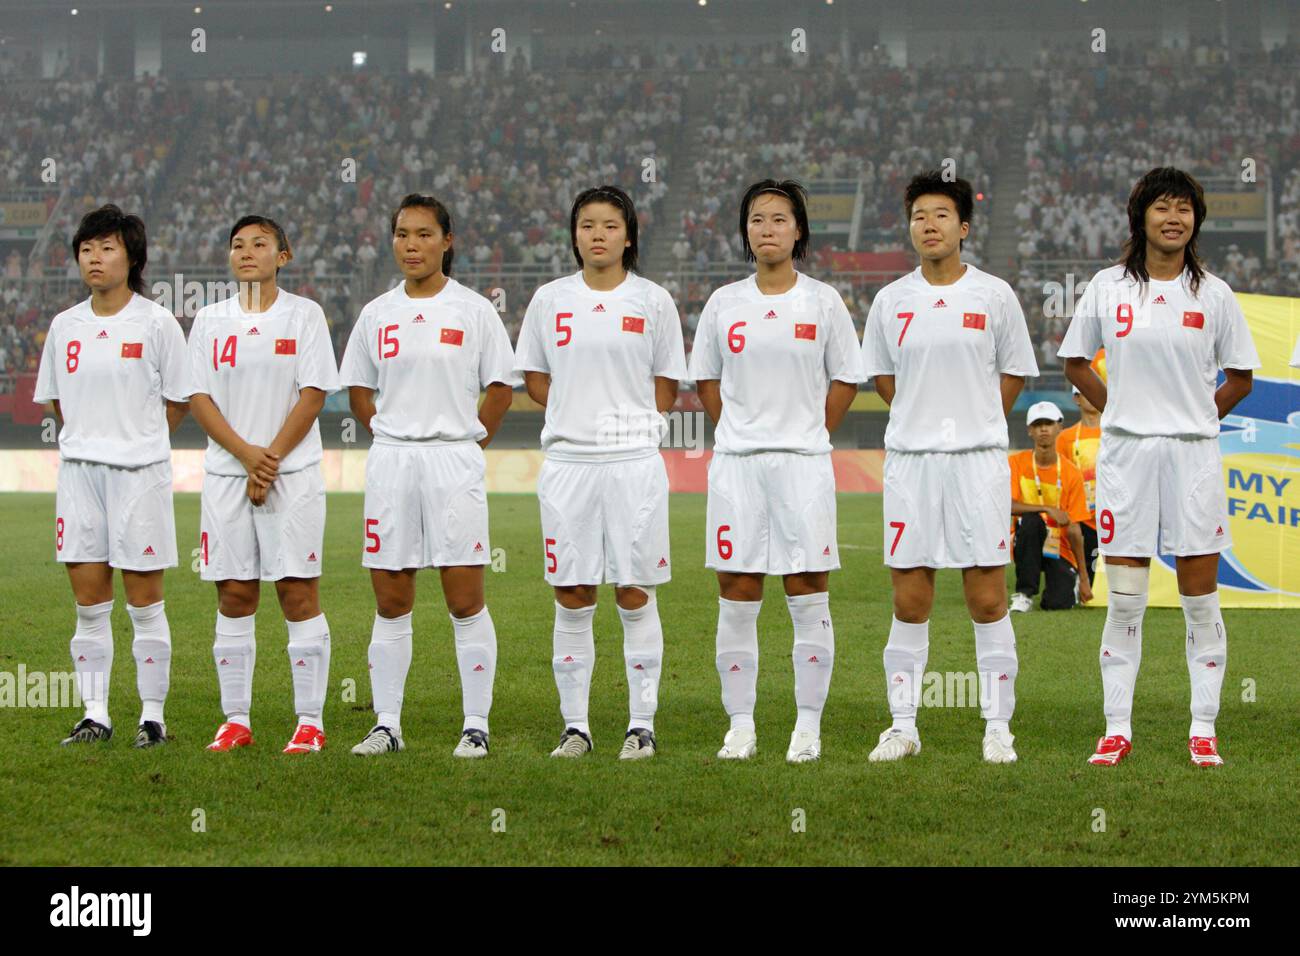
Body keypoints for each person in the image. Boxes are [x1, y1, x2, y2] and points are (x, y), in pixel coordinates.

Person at [1059, 167, 1259, 767]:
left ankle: (1203, 728)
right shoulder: (1107, 286)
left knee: (1201, 601)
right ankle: (1116, 728)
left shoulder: (1215, 293)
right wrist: (1118, 408)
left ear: (1195, 220)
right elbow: (1074, 362)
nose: (1174, 218)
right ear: (1140, 216)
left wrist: (1199, 416)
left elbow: (1241, 379)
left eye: (1185, 209)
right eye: (1162, 208)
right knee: (1125, 601)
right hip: (1127, 458)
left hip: (1193, 456)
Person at [861, 170, 1039, 765]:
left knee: (987, 597)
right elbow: (887, 381)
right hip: (911, 464)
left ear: (963, 227)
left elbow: (1013, 371)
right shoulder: (891, 300)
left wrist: (975, 420)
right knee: (910, 599)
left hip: (977, 464)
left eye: (941, 215)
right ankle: (903, 726)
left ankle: (997, 728)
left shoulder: (994, 295)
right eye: (919, 216)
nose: (928, 225)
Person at [689, 179, 865, 764]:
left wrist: (813, 432)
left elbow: (846, 377)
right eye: (757, 219)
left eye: (779, 219)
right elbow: (706, 379)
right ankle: (740, 725)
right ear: (746, 231)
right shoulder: (724, 303)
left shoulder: (823, 301)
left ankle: (807, 726)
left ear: (798, 231)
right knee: (738, 592)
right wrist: (735, 430)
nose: (767, 229)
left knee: (807, 590)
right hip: (738, 466)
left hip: (803, 467)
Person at [339, 194, 519, 758]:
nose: (410, 245)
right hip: (393, 462)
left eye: (422, 234)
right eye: (401, 234)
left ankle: (475, 724)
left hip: (452, 462)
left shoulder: (474, 310)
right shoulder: (376, 313)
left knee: (464, 598)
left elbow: (501, 386)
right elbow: (359, 390)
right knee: (391, 598)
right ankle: (387, 724)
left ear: (447, 240)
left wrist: (469, 437)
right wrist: (389, 432)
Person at [514, 185, 687, 760]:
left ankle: (642, 724)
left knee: (634, 591)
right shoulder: (549, 300)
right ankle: (575, 727)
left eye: (609, 225)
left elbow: (666, 386)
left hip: (633, 463)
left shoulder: (654, 301)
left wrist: (626, 423)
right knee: (573, 592)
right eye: (586, 225)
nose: (597, 235)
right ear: (574, 236)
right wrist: (575, 412)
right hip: (568, 463)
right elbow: (534, 376)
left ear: (629, 235)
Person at [33, 204, 196, 748]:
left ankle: (152, 717)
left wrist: (139, 441)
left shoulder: (156, 322)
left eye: (106, 248)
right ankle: (95, 714)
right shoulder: (65, 326)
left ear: (131, 257)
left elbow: (178, 400)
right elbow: (59, 401)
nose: (95, 258)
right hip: (80, 477)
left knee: (145, 603)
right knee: (89, 603)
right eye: (86, 249)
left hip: (140, 478)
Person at [188, 215, 341, 754]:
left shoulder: (304, 316)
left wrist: (269, 459)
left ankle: (309, 722)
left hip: (291, 476)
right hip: (228, 474)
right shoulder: (208, 320)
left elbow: (314, 393)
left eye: (260, 244)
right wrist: (247, 457)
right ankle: (236, 720)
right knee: (233, 595)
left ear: (283, 255)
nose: (246, 252)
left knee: (296, 592)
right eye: (237, 244)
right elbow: (198, 398)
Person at [1009, 401, 1094, 611]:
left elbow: (1074, 529)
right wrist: (1046, 509)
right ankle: (1024, 594)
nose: (1043, 429)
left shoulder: (1071, 472)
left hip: (1060, 546)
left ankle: (1070, 584)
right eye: (1037, 425)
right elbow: (1007, 505)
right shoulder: (1016, 463)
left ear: (1059, 427)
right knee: (1030, 521)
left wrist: (1084, 578)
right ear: (1030, 430)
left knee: (1058, 604)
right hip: (1025, 539)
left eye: (1048, 423)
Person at [1056, 378, 1103, 588]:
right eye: (1086, 392)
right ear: (1076, 398)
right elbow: (1060, 477)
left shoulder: (1115, 434)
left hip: (1114, 512)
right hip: (1081, 516)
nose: (1092, 397)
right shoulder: (1064, 438)